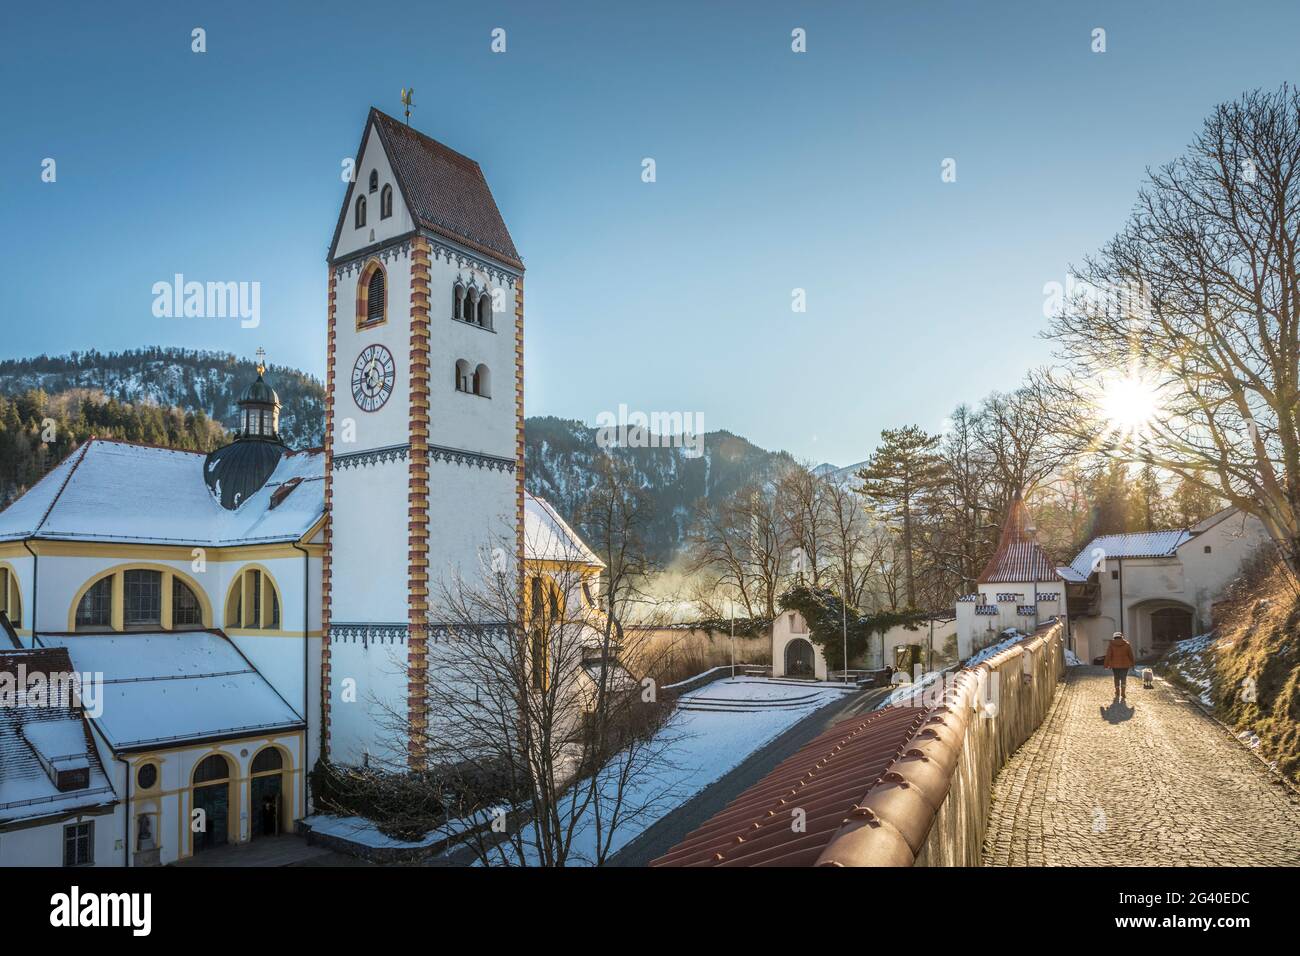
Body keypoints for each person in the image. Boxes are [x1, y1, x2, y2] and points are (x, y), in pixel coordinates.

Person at [1102, 631, 1136, 701]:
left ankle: (1117, 692)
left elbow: (1108, 655)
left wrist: (1106, 665)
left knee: (1116, 678)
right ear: (1121, 637)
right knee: (1123, 678)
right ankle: (1123, 692)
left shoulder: (1111, 645)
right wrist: (1132, 663)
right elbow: (1130, 655)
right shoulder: (1127, 644)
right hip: (1125, 665)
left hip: (1115, 665)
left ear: (1114, 637)